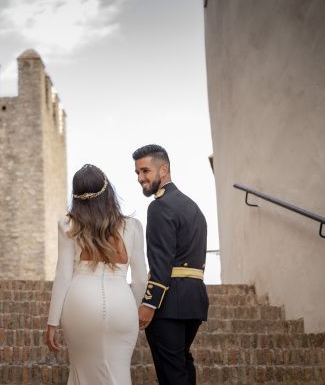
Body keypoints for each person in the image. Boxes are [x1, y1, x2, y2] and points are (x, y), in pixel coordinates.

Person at [46, 164, 148, 385]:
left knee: (82, 374)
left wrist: (52, 321)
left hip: (80, 304)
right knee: (120, 375)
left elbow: (63, 275)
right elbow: (140, 280)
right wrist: (140, 310)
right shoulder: (133, 227)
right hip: (123, 306)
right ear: (108, 191)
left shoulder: (67, 224)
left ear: (76, 197)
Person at [133, 144, 209, 385]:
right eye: (137, 173)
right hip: (194, 300)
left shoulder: (159, 207)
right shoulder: (192, 207)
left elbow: (161, 261)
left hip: (169, 303)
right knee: (183, 365)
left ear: (163, 169)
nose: (140, 178)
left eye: (145, 171)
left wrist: (148, 303)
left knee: (172, 375)